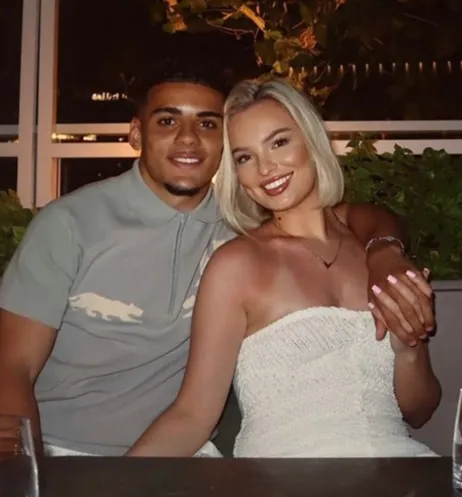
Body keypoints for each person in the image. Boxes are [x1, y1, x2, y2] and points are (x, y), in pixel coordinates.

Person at [0, 61, 434, 496]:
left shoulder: (236, 224)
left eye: (207, 124)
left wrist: (386, 249)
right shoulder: (70, 224)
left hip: (179, 458)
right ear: (136, 133)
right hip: (55, 451)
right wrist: (23, 473)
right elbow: (9, 371)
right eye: (168, 120)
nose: (188, 139)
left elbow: (354, 217)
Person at [127, 78, 441, 458]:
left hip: (397, 468)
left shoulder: (371, 250)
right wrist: (117, 480)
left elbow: (419, 411)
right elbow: (192, 416)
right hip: (282, 475)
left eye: (279, 142)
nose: (265, 168)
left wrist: (408, 349)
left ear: (311, 139)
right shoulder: (235, 265)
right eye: (245, 157)